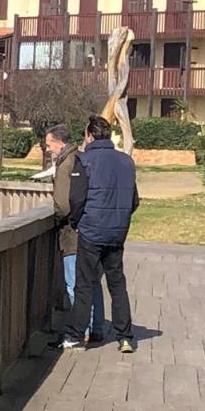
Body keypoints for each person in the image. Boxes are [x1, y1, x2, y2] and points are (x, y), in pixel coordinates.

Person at [60, 115, 140, 353]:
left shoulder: (83, 161)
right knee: (117, 284)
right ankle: (125, 336)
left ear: (89, 135)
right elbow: (133, 199)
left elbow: (76, 199)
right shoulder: (127, 162)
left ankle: (76, 335)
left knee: (84, 285)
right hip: (117, 232)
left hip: (91, 231)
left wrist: (77, 222)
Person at [44, 123, 105, 347]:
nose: (48, 148)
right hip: (91, 229)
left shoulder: (65, 163)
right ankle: (96, 327)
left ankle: (81, 331)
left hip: (72, 231)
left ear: (59, 143)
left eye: (49, 144)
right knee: (92, 281)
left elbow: (62, 202)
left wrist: (58, 218)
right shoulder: (81, 158)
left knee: (74, 283)